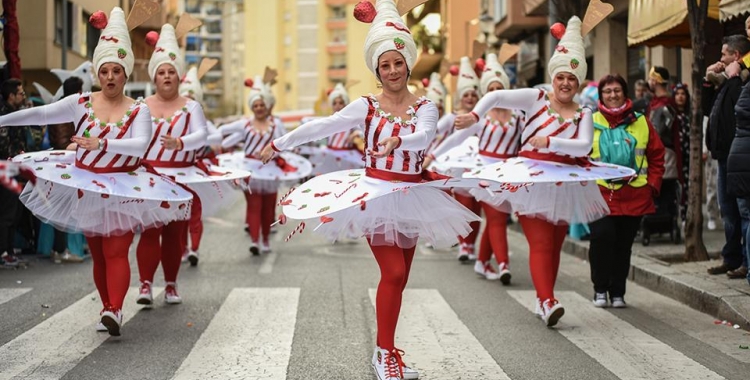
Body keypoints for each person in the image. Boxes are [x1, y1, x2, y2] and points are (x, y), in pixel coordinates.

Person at [259, 1, 480, 378]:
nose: (392, 70)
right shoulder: (366, 106)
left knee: (402, 276)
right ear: (377, 70)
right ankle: (383, 355)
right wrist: (281, 144)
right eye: (385, 65)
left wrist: (400, 141)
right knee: (393, 273)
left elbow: (426, 134)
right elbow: (322, 126)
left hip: (413, 196)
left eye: (397, 62)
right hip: (376, 196)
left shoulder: (425, 106)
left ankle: (389, 349)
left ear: (408, 64)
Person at [0, 7, 192, 336]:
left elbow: (140, 144)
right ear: (97, 73)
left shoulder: (138, 109)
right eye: (105, 70)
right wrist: (2, 119)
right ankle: (107, 306)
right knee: (100, 254)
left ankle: (115, 309)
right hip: (86, 185)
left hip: (123, 189)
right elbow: (42, 114)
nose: (111, 77)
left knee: (116, 250)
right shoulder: (81, 102)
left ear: (126, 74)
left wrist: (101, 145)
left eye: (117, 70)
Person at [453, 16, 633, 327]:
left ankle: (542, 297)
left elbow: (583, 146)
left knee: (555, 244)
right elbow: (495, 96)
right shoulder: (536, 98)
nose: (566, 83)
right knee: (540, 243)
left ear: (578, 83)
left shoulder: (584, 112)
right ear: (554, 77)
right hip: (532, 180)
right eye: (561, 77)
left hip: (564, 182)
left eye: (572, 79)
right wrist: (473, 115)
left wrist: (550, 140)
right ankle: (548, 299)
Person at [428, 52, 522, 283]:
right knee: (497, 218)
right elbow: (454, 139)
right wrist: (431, 154)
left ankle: (482, 261)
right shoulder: (480, 118)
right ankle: (503, 264)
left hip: (509, 173)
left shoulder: (519, 116)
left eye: (499, 88)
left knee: (496, 219)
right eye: (490, 90)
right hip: (485, 173)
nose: (495, 93)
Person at [588, 74, 665, 308]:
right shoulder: (588, 122)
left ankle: (618, 292)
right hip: (600, 195)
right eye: (607, 91)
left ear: (625, 92)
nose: (613, 95)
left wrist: (653, 184)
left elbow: (656, 155)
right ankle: (600, 288)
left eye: (617, 90)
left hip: (635, 195)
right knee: (602, 238)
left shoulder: (641, 121)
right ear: (601, 95)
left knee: (623, 245)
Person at [219, 76, 310, 255]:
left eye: (262, 105)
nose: (259, 108)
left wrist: (293, 154)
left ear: (267, 105)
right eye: (256, 105)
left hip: (271, 170)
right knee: (254, 206)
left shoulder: (276, 124)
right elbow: (222, 131)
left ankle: (266, 239)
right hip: (250, 171)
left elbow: (285, 143)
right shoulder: (245, 123)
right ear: (252, 107)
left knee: (268, 208)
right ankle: (254, 240)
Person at [424, 56, 482, 261]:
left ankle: (471, 244)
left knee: (476, 209)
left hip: (479, 168)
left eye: (473, 95)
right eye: (466, 94)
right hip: (455, 168)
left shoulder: (482, 117)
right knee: (463, 206)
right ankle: (464, 245)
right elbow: (431, 134)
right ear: (460, 97)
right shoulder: (452, 118)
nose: (470, 98)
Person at [704, 35, 750, 277]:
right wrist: (708, 80)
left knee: (740, 211)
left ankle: (744, 261)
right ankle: (731, 258)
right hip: (724, 156)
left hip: (738, 158)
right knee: (728, 211)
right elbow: (707, 111)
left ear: (736, 56)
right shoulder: (726, 81)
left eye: (724, 54)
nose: (720, 59)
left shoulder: (740, 81)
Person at [0, 78, 28, 266]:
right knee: (7, 212)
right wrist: (14, 158)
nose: (23, 95)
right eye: (20, 93)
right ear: (11, 96)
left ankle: (9, 250)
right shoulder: (4, 115)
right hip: (6, 170)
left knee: (14, 212)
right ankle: (4, 253)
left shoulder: (15, 113)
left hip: (15, 168)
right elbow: (3, 145)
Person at [727, 62, 750, 286]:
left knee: (746, 218)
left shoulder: (742, 89)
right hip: (742, 162)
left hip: (737, 160)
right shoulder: (741, 88)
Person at [672, 83, 691, 222]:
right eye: (677, 94)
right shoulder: (672, 115)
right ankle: (676, 218)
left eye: (683, 94)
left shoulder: (690, 115)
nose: (680, 97)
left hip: (689, 158)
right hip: (675, 158)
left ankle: (686, 217)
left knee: (687, 187)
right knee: (677, 187)